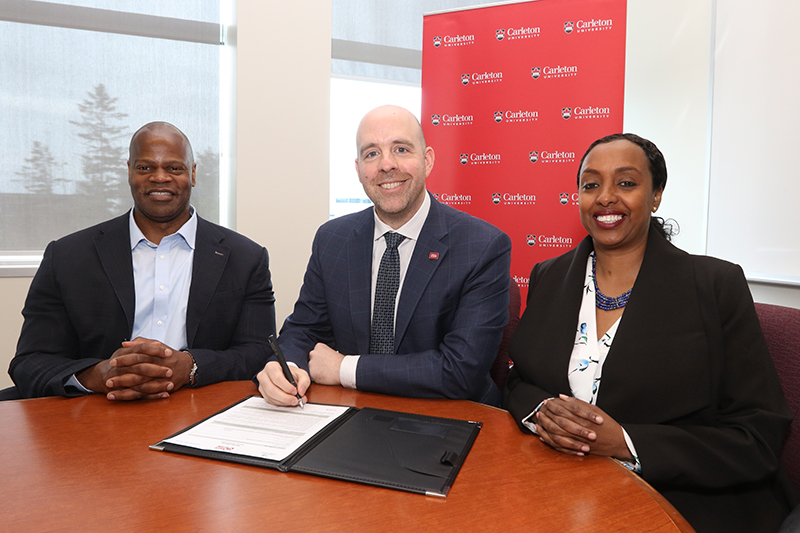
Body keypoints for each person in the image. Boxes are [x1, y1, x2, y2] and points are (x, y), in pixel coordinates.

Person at [504, 133, 795, 533]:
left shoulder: (714, 285)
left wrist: (626, 442)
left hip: (679, 499)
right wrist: (542, 414)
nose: (606, 197)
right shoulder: (548, 275)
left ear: (656, 194)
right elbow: (520, 379)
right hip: (557, 485)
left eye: (626, 183)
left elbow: (757, 437)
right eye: (591, 185)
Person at [257, 105, 511, 407]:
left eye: (401, 149)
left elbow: (460, 371)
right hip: (351, 413)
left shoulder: (481, 245)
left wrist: (344, 368)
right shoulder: (332, 239)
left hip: (446, 418)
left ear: (427, 160)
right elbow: (304, 328)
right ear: (358, 169)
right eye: (371, 154)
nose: (386, 165)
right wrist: (287, 368)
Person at [10, 122, 276, 400]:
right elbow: (30, 361)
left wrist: (190, 366)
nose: (160, 178)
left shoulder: (246, 258)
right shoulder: (66, 256)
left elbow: (259, 352)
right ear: (129, 172)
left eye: (174, 168)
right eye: (145, 168)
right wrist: (98, 376)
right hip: (95, 414)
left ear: (193, 173)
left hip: (199, 410)